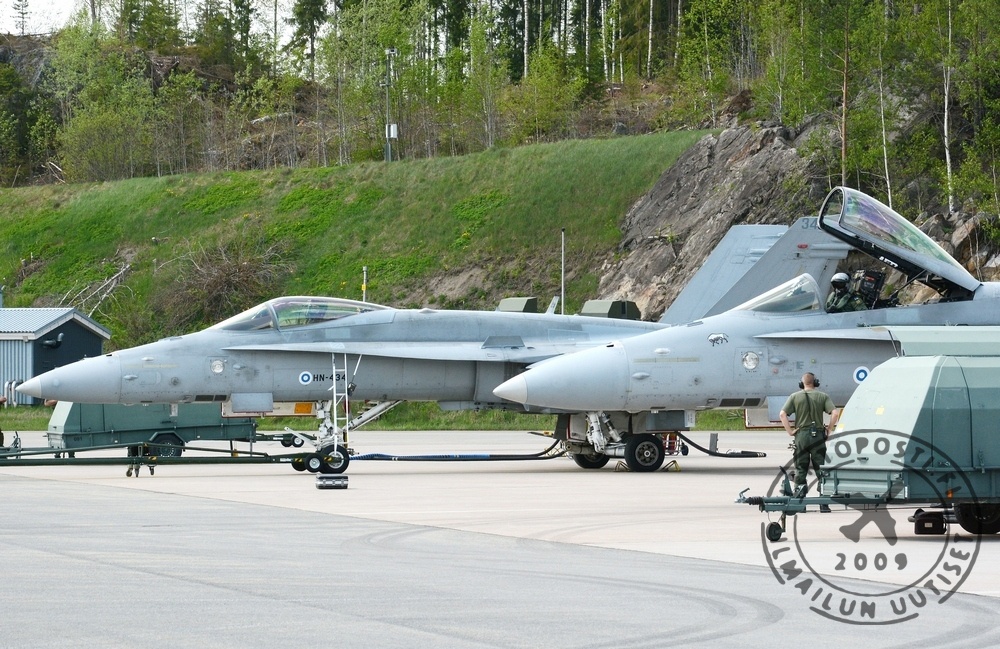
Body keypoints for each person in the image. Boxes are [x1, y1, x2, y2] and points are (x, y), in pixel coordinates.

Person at [780, 373, 840, 512]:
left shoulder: (794, 396)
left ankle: (800, 503)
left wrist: (790, 431)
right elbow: (835, 413)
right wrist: (829, 429)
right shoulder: (823, 396)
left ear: (801, 384)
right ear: (815, 382)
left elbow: (782, 414)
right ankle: (824, 503)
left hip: (801, 436)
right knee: (821, 470)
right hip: (817, 437)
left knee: (801, 469)